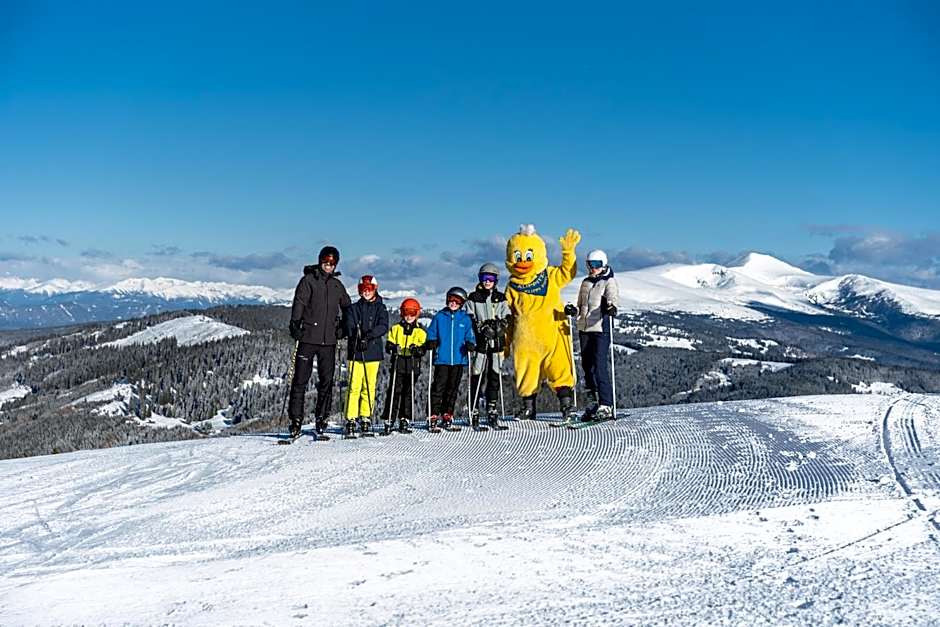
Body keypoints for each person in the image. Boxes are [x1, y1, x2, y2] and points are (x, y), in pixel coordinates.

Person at [287, 245, 351, 439]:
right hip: (307, 338)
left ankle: (321, 419)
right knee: (300, 380)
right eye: (326, 262)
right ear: (320, 260)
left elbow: (347, 308)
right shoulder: (308, 281)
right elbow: (299, 303)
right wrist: (295, 324)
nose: (328, 266)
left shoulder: (337, 285)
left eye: (332, 263)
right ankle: (295, 421)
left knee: (327, 382)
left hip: (329, 341)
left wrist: (344, 328)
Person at [573, 249, 619, 421]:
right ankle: (593, 402)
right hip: (584, 328)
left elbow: (613, 297)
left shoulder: (608, 282)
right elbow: (581, 305)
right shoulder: (585, 282)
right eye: (590, 265)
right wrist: (573, 310)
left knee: (599, 366)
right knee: (587, 366)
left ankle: (606, 404)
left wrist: (611, 306)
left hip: (600, 328)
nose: (593, 268)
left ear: (604, 264)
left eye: (597, 265)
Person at [342, 275, 389, 437]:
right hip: (355, 352)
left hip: (373, 352)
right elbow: (349, 326)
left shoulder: (380, 308)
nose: (366, 292)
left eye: (369, 289)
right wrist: (356, 336)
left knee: (368, 386)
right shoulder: (354, 308)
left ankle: (365, 417)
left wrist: (367, 336)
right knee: (354, 386)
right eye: (363, 289)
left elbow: (383, 326)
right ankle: (350, 419)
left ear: (375, 289)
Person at [465, 263, 511, 430]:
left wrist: (500, 325)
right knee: (477, 374)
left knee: (494, 375)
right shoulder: (473, 297)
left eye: (491, 279)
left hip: (496, 342)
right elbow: (469, 317)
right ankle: (474, 408)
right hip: (481, 342)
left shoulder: (501, 298)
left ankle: (492, 408)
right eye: (484, 278)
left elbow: (507, 316)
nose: (487, 281)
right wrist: (481, 328)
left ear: (496, 280)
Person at [425, 286, 476, 430]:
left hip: (459, 360)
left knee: (452, 389)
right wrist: (432, 341)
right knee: (438, 388)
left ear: (462, 303)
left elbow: (469, 335)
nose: (453, 303)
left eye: (457, 301)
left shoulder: (465, 319)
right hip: (442, 359)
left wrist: (470, 344)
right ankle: (433, 414)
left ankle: (447, 414)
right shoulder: (440, 317)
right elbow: (432, 332)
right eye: (451, 300)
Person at [382, 297, 427, 434]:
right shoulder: (396, 329)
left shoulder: (420, 332)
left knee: (408, 392)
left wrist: (417, 350)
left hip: (412, 365)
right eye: (406, 313)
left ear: (417, 314)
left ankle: (404, 418)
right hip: (398, 363)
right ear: (402, 313)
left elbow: (423, 348)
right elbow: (388, 345)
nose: (409, 317)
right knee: (394, 391)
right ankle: (389, 418)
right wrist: (393, 347)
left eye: (412, 313)